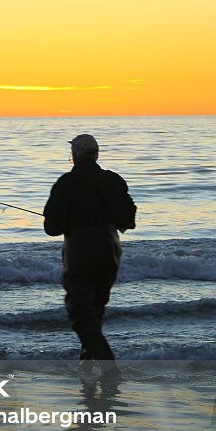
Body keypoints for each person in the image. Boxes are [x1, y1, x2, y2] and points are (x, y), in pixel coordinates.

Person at [43, 134, 136, 361]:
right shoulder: (114, 181)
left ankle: (107, 366)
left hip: (80, 251)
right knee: (96, 308)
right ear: (96, 155)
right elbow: (128, 221)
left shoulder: (66, 183)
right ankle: (88, 361)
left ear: (75, 155)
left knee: (80, 313)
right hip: (110, 249)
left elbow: (52, 228)